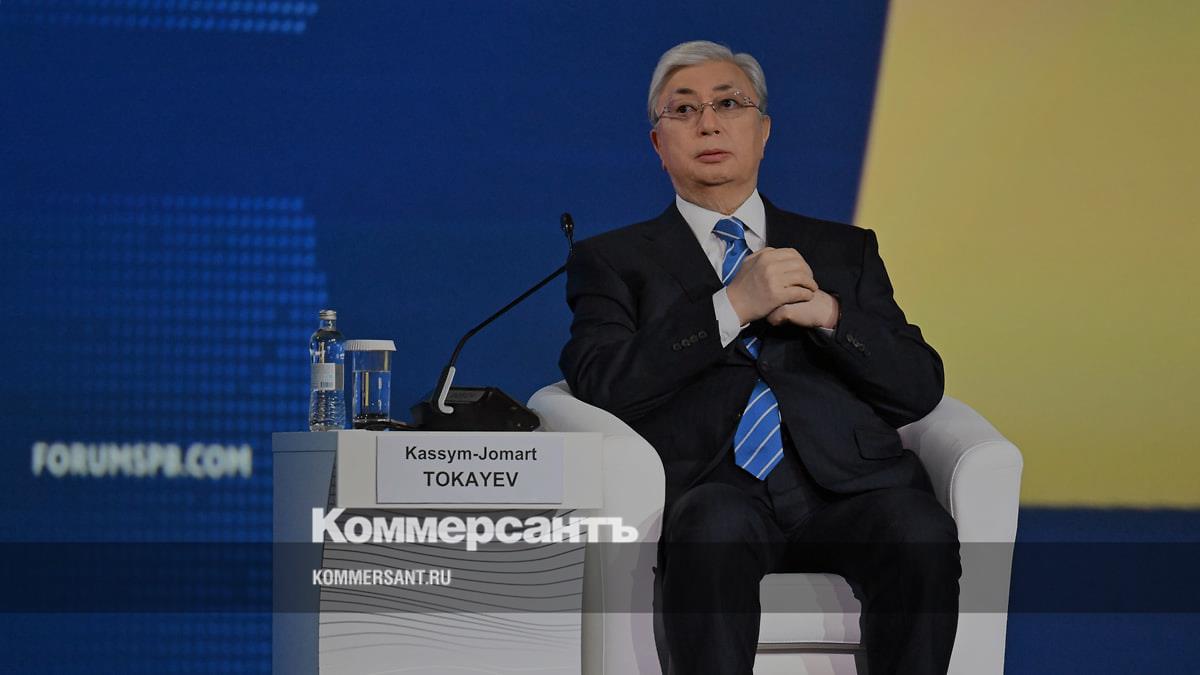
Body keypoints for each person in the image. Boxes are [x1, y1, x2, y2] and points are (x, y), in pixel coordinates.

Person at [559, 40, 961, 674]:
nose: (708, 124)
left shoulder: (845, 249)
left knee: (919, 529)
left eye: (728, 104)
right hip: (712, 488)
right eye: (683, 110)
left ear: (764, 131)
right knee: (712, 527)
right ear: (658, 144)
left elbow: (918, 387)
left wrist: (830, 315)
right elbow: (601, 381)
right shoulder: (613, 261)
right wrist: (731, 306)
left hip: (848, 489)